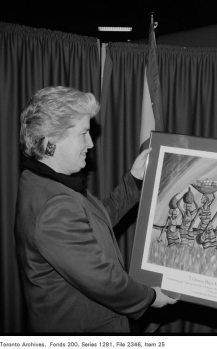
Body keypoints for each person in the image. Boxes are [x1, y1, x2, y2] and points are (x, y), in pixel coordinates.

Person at [15, 86, 178, 333]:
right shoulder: (55, 205)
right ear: (50, 143)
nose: (91, 143)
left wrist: (134, 179)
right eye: (83, 134)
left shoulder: (49, 183)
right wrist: (151, 297)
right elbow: (102, 280)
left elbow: (96, 218)